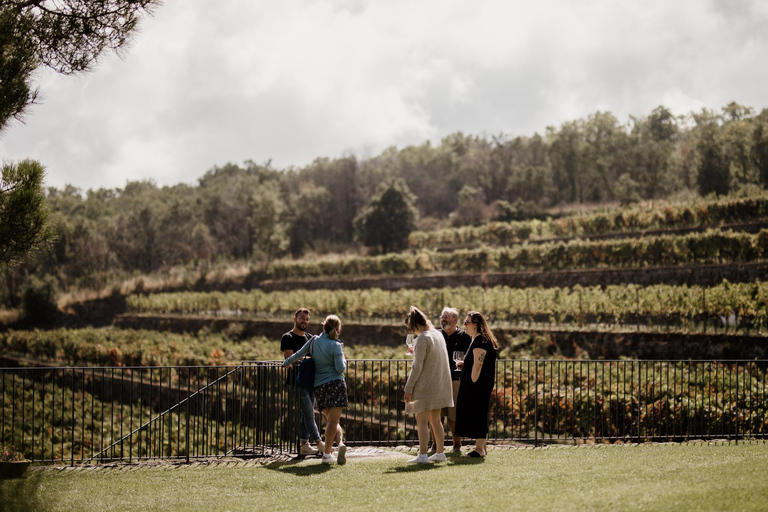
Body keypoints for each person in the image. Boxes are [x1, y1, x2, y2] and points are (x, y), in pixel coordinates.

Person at [283, 315, 348, 465]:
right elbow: (340, 368)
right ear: (338, 329)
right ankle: (326, 455)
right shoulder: (336, 346)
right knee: (333, 422)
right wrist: (343, 357)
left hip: (319, 386)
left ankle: (340, 444)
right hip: (336, 384)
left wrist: (286, 362)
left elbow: (298, 354)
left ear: (323, 326)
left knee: (332, 420)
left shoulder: (313, 341)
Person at [403, 306, 454, 464]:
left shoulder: (423, 338)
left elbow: (417, 367)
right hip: (439, 384)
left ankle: (423, 455)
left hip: (425, 386)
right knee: (436, 420)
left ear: (416, 326)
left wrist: (408, 388)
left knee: (422, 420)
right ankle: (440, 452)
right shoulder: (438, 335)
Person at [454, 311, 499, 458]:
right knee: (480, 412)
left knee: (478, 413)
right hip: (481, 384)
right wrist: (465, 365)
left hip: (477, 385)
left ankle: (479, 449)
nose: (464, 325)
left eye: (467, 322)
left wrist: (472, 381)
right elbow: (476, 362)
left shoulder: (480, 340)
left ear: (476, 324)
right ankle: (482, 448)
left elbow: (478, 364)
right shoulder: (482, 339)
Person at [281, 308, 324, 456]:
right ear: (295, 318)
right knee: (309, 413)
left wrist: (306, 360)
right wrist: (308, 359)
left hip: (309, 380)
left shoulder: (310, 337)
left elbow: (311, 358)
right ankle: (320, 443)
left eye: (306, 319)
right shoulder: (287, 337)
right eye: (302, 318)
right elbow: (291, 359)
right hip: (296, 382)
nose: (304, 321)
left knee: (305, 414)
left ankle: (304, 444)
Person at [437, 307, 472, 453]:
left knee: (453, 414)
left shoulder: (464, 337)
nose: (443, 319)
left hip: (456, 379)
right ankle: (436, 444)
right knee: (437, 414)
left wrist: (465, 365)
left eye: (447, 317)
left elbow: (471, 358)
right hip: (438, 379)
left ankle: (457, 444)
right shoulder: (436, 336)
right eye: (442, 317)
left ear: (455, 320)